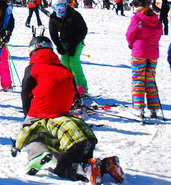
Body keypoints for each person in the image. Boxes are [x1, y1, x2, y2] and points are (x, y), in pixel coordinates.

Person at [14, 36, 122, 182]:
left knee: (29, 130)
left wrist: (28, 113)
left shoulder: (33, 67)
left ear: (31, 52)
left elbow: (26, 92)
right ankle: (104, 165)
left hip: (41, 110)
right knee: (63, 144)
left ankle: (38, 154)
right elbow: (73, 91)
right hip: (65, 113)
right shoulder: (63, 68)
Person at [126, 0, 162, 118]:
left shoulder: (137, 18)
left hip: (139, 53)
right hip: (152, 53)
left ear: (136, 4)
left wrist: (131, 44)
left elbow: (130, 34)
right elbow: (158, 33)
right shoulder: (154, 17)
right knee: (150, 80)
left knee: (138, 80)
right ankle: (153, 108)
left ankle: (138, 107)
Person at [48, 0, 90, 95]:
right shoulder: (54, 17)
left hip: (77, 40)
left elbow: (83, 30)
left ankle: (82, 90)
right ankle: (68, 87)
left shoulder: (74, 15)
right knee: (65, 65)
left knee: (74, 64)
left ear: (66, 6)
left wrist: (73, 45)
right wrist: (59, 46)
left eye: (61, 7)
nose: (59, 10)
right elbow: (53, 34)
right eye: (56, 8)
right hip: (64, 41)